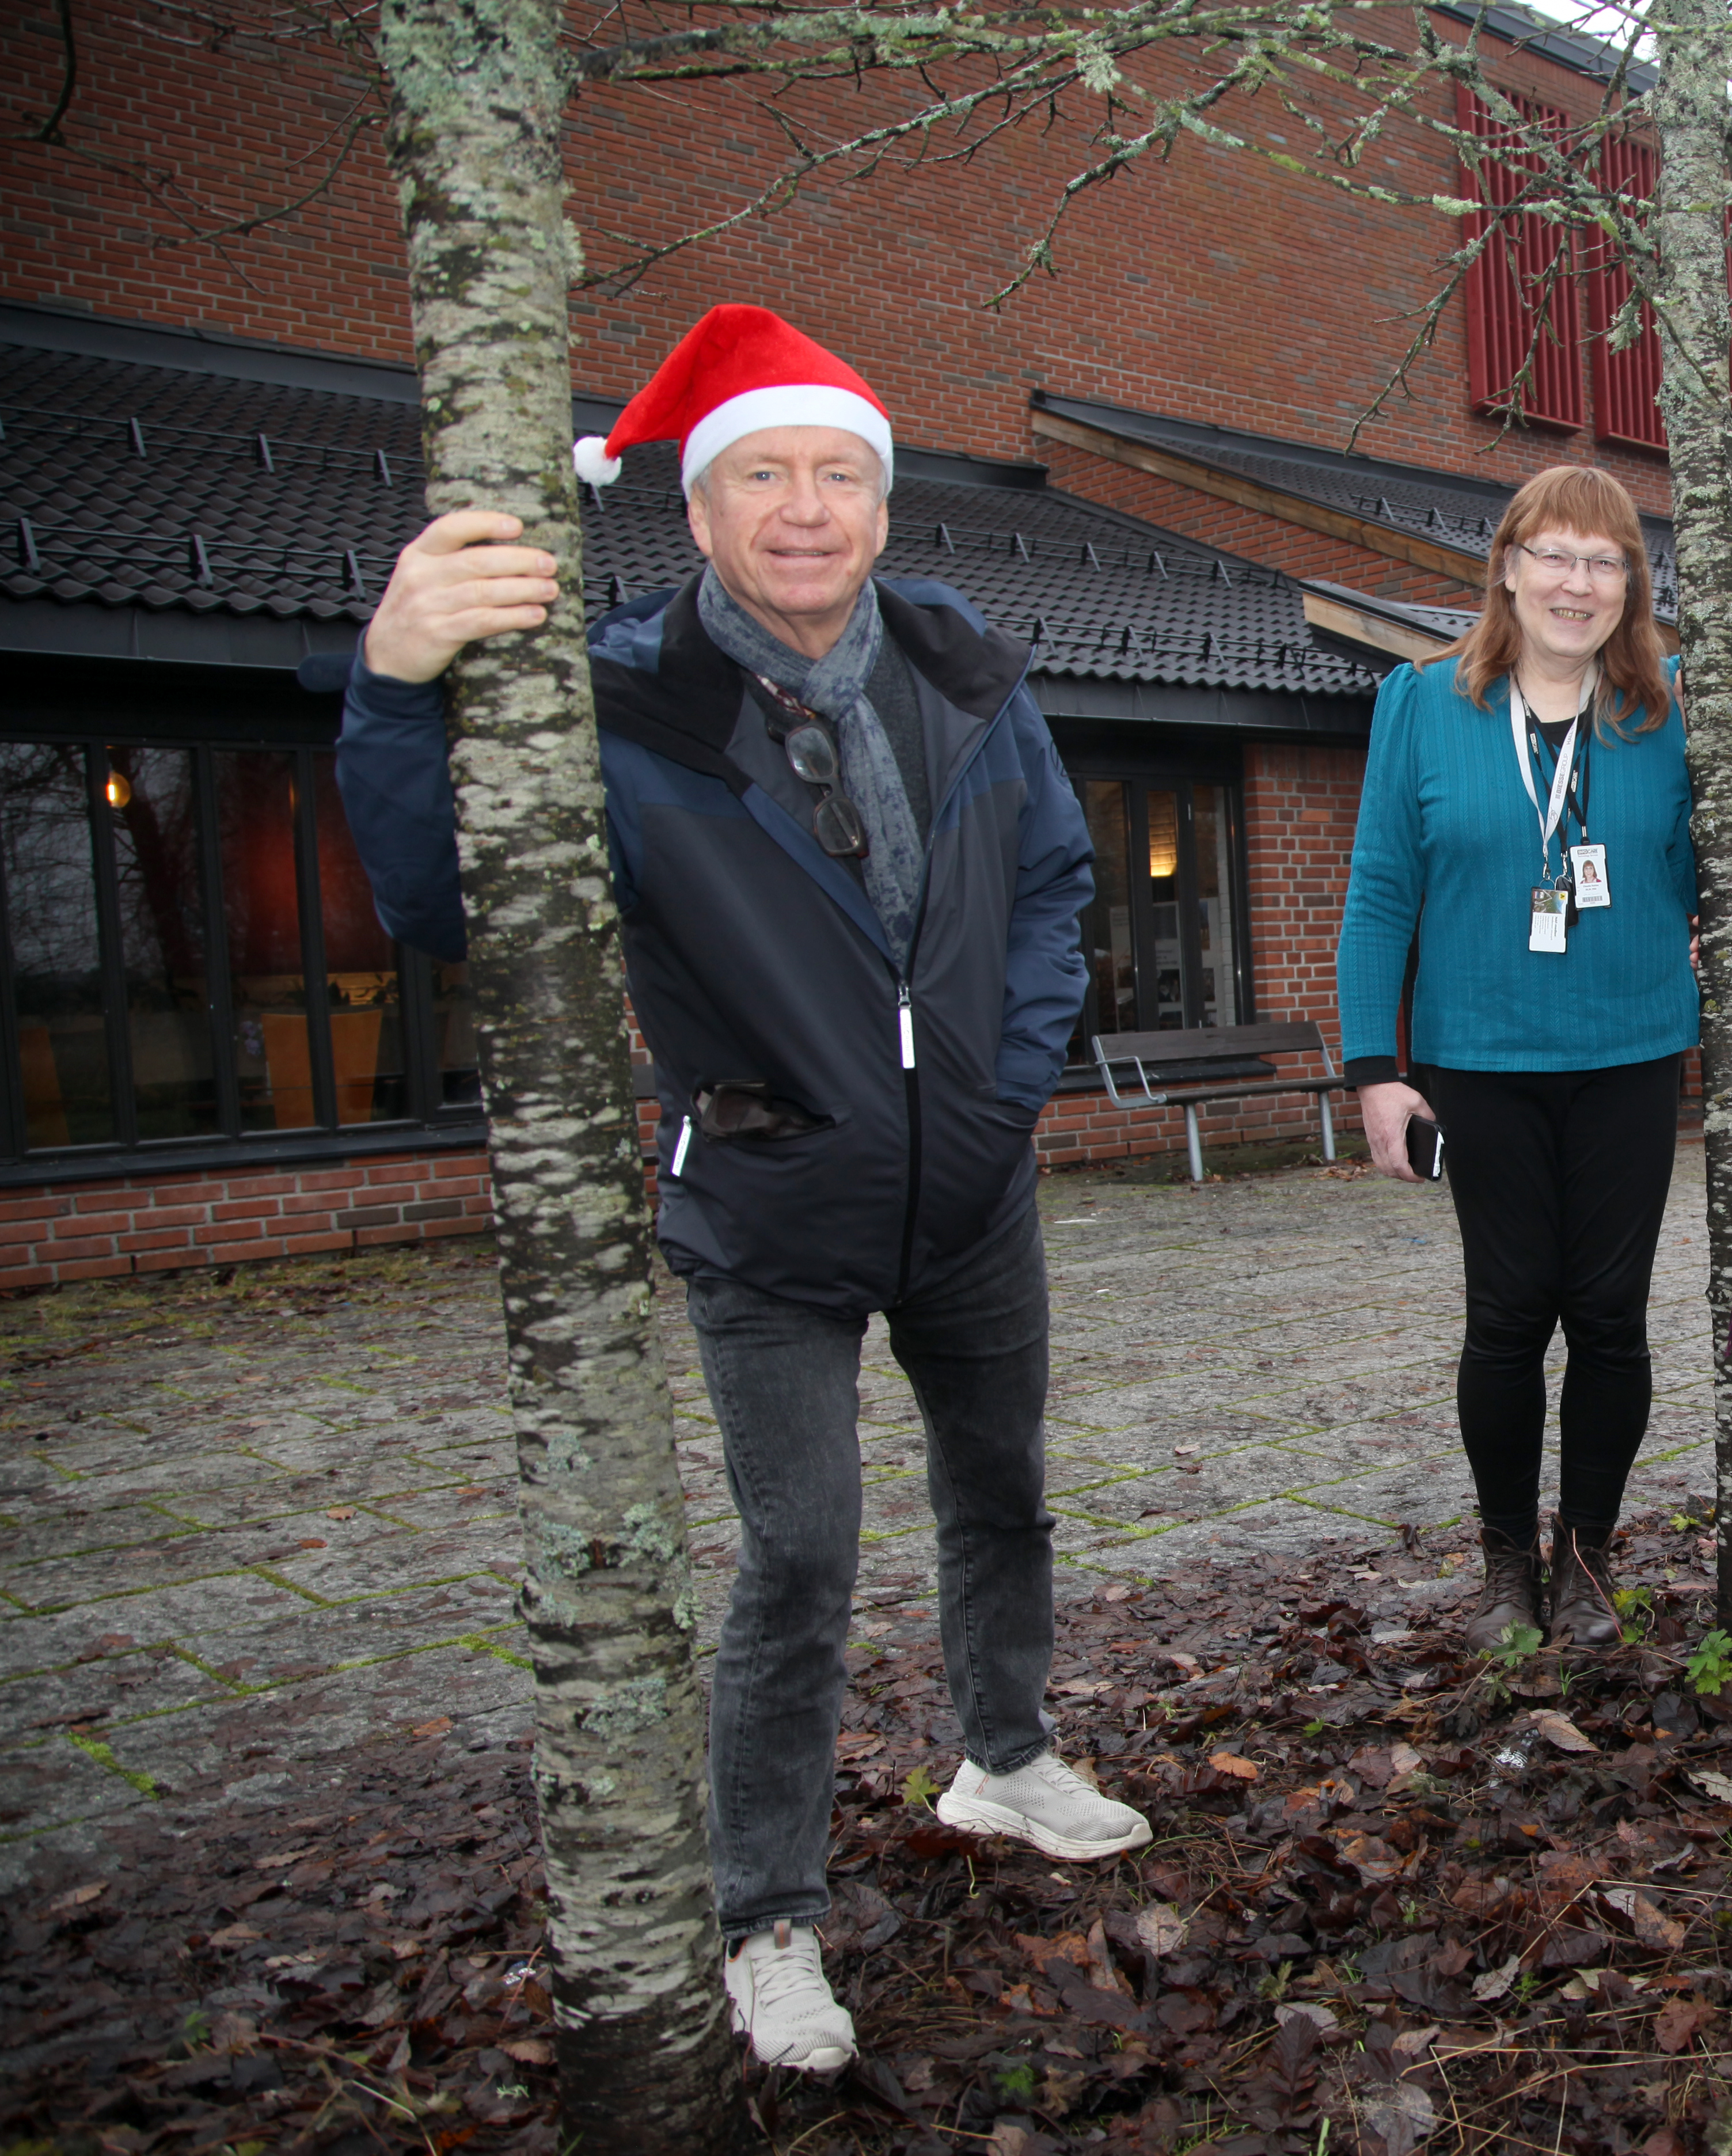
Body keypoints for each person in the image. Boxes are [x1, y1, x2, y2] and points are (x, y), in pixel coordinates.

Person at [335, 305, 1148, 2077]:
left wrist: (1011, 1092)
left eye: (838, 476)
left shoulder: (966, 669)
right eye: (764, 475)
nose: (805, 508)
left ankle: (1004, 1757)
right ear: (698, 513)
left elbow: (1056, 886)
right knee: (799, 1556)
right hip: (772, 1205)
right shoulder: (618, 700)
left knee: (1002, 1489)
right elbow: (439, 899)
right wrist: (396, 684)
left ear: (881, 507)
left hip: (972, 1197)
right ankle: (763, 1913)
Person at [1335, 468, 1698, 1653]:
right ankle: (1505, 1562)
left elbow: (1718, 871)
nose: (1576, 583)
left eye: (1604, 561)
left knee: (1608, 1315)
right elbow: (1382, 891)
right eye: (1554, 554)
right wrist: (1372, 1071)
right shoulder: (1423, 702)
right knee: (1508, 1313)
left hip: (1631, 1051)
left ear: (1630, 585)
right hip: (1476, 1057)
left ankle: (1586, 1558)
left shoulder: (1673, 710)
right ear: (1507, 566)